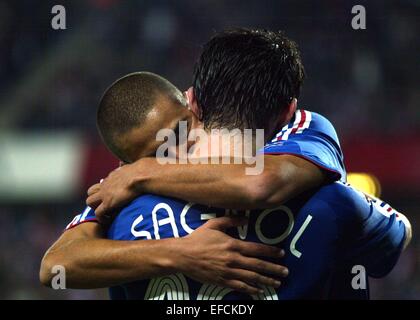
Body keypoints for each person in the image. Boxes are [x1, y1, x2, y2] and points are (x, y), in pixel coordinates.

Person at [41, 72, 411, 299]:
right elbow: (56, 266)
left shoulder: (277, 137)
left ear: (192, 103)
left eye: (184, 129)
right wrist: (181, 253)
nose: (182, 148)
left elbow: (262, 182)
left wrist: (145, 174)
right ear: (127, 162)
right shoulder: (121, 189)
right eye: (160, 152)